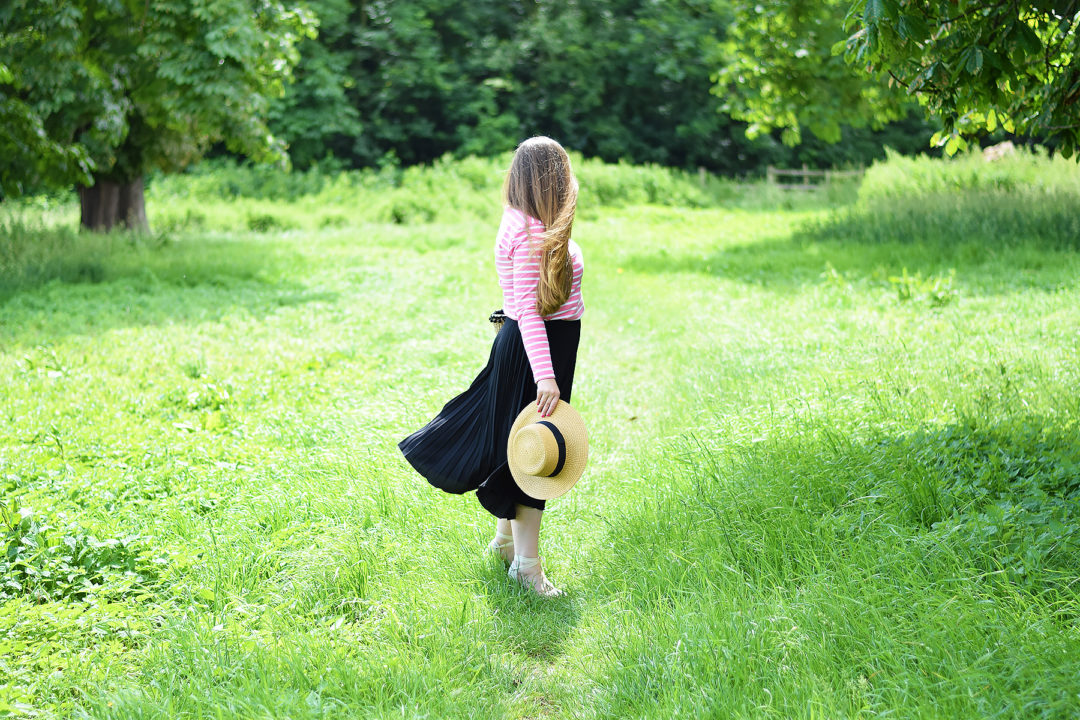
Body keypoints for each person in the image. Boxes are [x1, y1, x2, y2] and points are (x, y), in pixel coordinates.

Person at [399, 136, 584, 597]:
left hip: (525, 345)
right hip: (536, 351)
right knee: (538, 458)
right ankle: (527, 567)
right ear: (552, 178)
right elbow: (529, 307)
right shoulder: (529, 233)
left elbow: (521, 302)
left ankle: (505, 542)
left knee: (519, 449)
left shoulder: (522, 222)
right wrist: (545, 374)